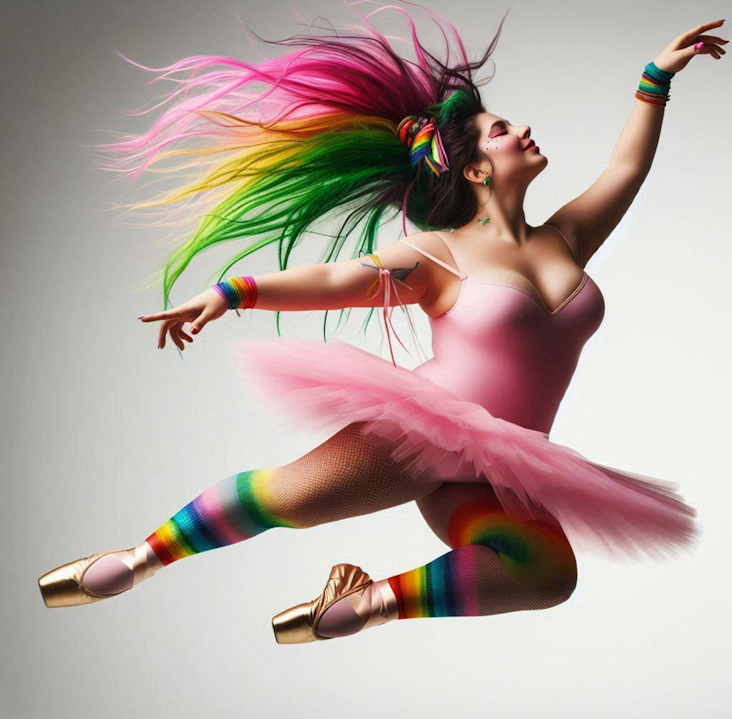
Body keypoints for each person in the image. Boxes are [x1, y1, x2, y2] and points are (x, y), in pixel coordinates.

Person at [39, 1, 724, 643]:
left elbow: (626, 168)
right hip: (427, 429)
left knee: (544, 572)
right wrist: (236, 290)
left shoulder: (567, 239)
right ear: (478, 169)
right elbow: (338, 281)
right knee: (292, 498)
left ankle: (368, 601)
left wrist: (655, 80)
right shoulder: (440, 254)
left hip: (502, 465)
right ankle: (139, 558)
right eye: (502, 130)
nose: (522, 131)